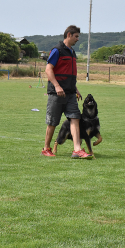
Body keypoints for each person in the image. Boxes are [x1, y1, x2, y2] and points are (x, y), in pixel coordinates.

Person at [41, 25, 92, 159]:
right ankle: (46, 148)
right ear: (69, 35)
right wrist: (57, 86)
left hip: (70, 94)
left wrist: (75, 89)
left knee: (75, 118)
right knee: (52, 121)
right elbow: (48, 70)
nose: (78, 39)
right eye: (76, 36)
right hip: (56, 93)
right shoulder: (57, 50)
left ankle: (77, 150)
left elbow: (69, 74)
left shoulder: (72, 52)